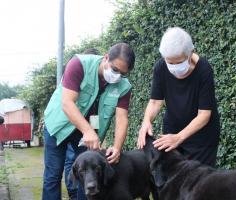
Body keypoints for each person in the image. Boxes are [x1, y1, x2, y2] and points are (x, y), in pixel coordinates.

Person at [42, 42, 135, 200]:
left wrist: (117, 147)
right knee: (53, 175)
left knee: (88, 175)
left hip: (90, 128)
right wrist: (87, 131)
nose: (117, 76)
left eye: (123, 74)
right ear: (106, 58)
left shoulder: (124, 87)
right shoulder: (79, 64)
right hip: (59, 124)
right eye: (115, 69)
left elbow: (122, 118)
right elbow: (67, 103)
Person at [137, 27, 220, 167]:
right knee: (173, 178)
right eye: (170, 62)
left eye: (179, 62)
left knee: (198, 182)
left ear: (190, 53)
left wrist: (179, 137)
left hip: (201, 137)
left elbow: (204, 114)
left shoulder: (204, 70)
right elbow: (155, 101)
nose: (174, 67)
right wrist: (146, 121)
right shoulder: (160, 67)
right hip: (172, 131)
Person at [62, 47, 101, 200]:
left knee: (81, 161)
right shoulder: (75, 73)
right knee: (71, 160)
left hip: (86, 128)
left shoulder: (99, 80)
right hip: (68, 125)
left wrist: (95, 131)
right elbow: (67, 104)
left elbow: (95, 110)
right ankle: (73, 191)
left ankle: (78, 193)